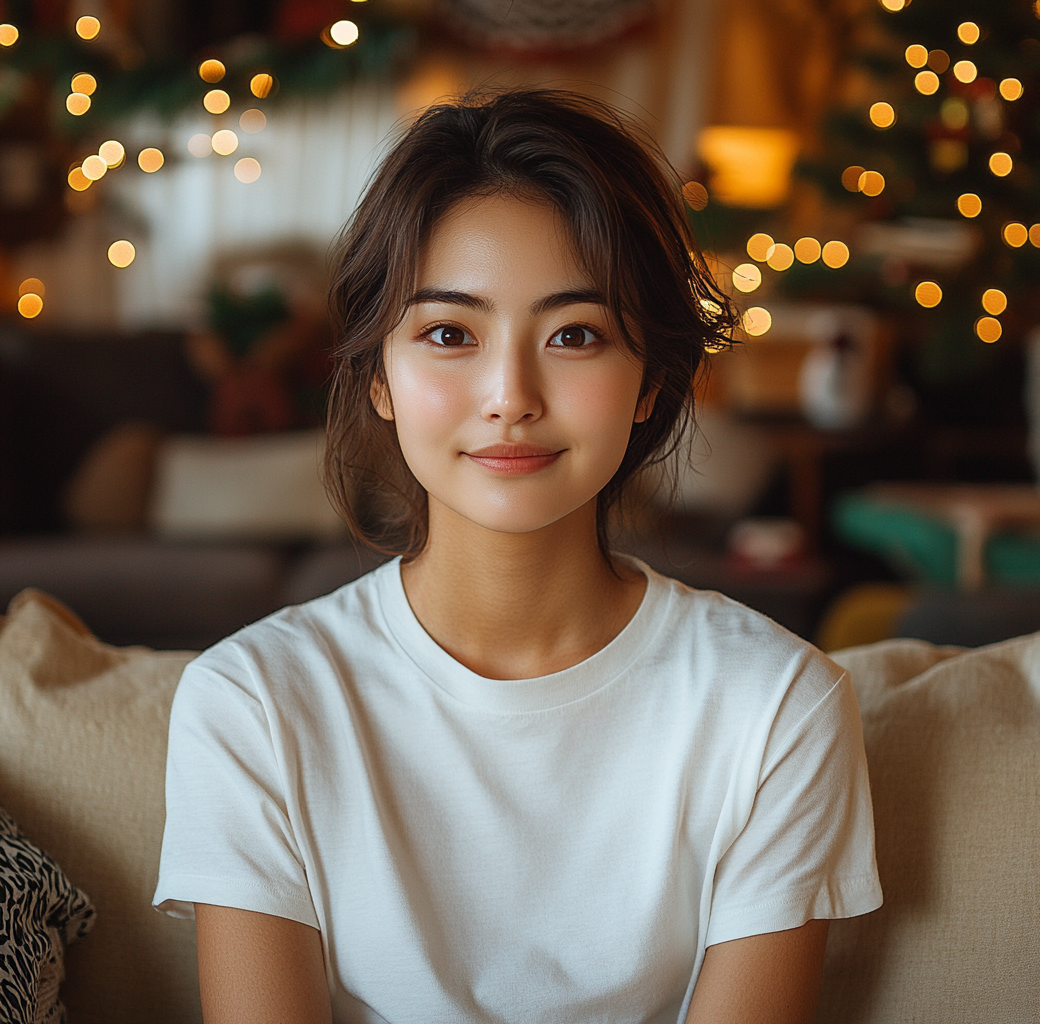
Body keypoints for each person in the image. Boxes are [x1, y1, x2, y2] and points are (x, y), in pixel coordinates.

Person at [153, 89, 882, 1024]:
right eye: (449, 333)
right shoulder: (252, 703)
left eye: (574, 334)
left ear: (653, 378)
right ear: (379, 375)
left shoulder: (778, 708)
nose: (509, 395)